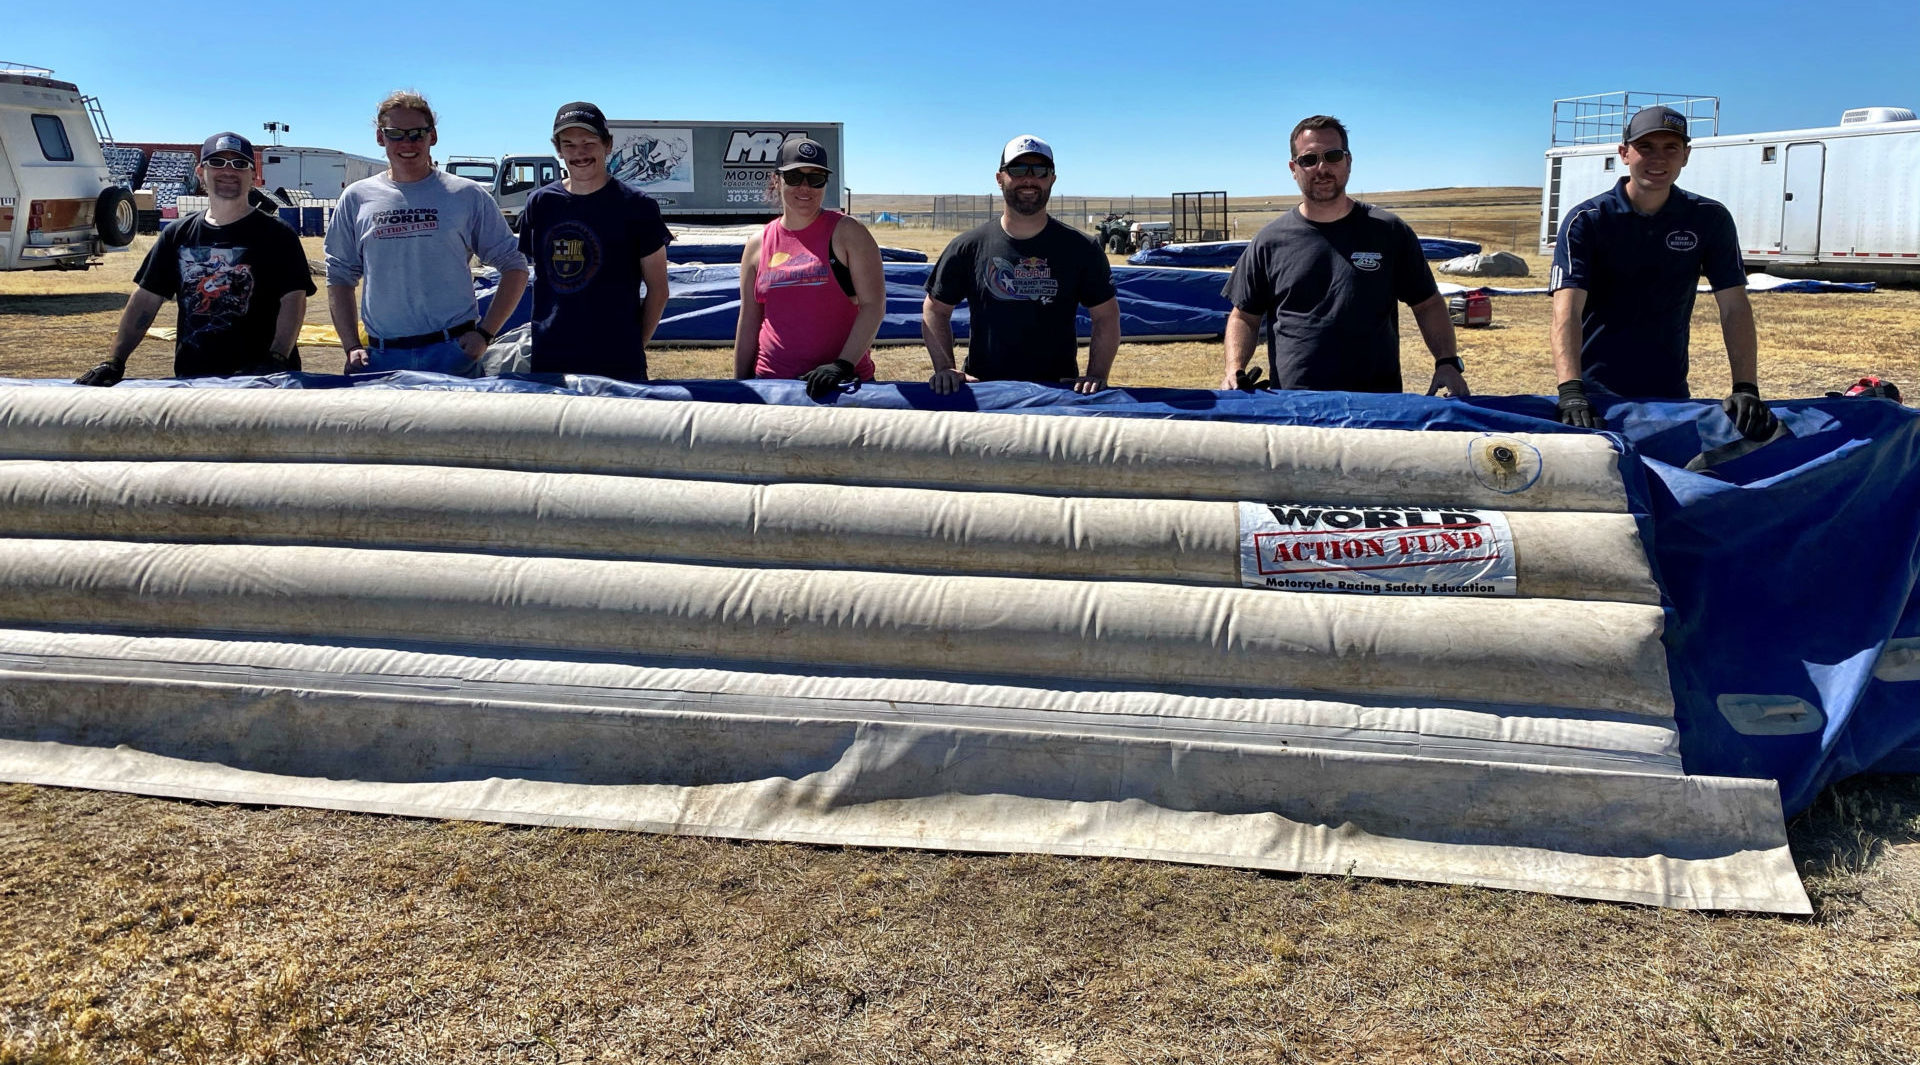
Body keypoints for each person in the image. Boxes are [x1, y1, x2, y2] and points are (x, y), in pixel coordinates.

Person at [1549, 105, 1776, 438]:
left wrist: (1745, 387)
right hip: (1595, 399)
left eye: (1670, 148)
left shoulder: (1708, 219)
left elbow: (1734, 306)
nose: (1659, 159)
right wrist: (1571, 392)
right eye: (1646, 147)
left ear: (1686, 155)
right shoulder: (1588, 221)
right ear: (1624, 153)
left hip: (1669, 396)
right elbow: (1565, 311)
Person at [1219, 116, 1467, 397]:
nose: (1321, 168)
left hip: (1376, 406)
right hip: (1294, 409)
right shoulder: (1270, 241)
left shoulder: (1389, 232)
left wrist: (1447, 362)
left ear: (1348, 161)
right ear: (1293, 168)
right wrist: (1234, 368)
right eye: (1308, 159)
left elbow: (1428, 304)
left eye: (1332, 156)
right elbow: (1244, 317)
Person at [77, 132, 315, 386]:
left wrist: (277, 358)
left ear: (253, 176)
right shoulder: (177, 235)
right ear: (201, 173)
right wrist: (114, 361)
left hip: (265, 383)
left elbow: (293, 301)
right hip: (195, 383)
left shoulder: (279, 235)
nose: (228, 171)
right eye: (217, 163)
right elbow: (146, 301)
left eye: (239, 164)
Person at [324, 90, 528, 377]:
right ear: (380, 138)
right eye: (395, 134)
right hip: (382, 359)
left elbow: (514, 266)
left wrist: (485, 333)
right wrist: (350, 345)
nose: (407, 143)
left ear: (432, 136)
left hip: (454, 355)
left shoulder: (466, 195)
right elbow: (339, 276)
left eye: (417, 133)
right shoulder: (357, 197)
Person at [922, 135, 1119, 394]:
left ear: (1052, 179)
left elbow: (1106, 316)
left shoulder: (1081, 248)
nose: (1029, 179)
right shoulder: (968, 247)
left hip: (1057, 395)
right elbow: (935, 309)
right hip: (986, 394)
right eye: (1017, 169)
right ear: (999, 178)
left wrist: (1096, 375)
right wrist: (945, 367)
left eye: (1039, 170)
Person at [517, 102, 672, 381]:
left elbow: (658, 290)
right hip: (552, 359)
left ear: (608, 145)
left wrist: (633, 346)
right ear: (559, 150)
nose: (580, 153)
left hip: (617, 363)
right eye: (569, 144)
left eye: (589, 142)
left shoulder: (638, 206)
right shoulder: (540, 204)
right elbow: (536, 276)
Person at [732, 136, 884, 400]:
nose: (805, 187)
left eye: (816, 179)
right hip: (772, 386)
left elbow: (874, 305)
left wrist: (842, 365)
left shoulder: (848, 232)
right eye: (794, 177)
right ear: (777, 179)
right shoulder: (758, 244)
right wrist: (739, 387)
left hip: (842, 389)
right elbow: (749, 321)